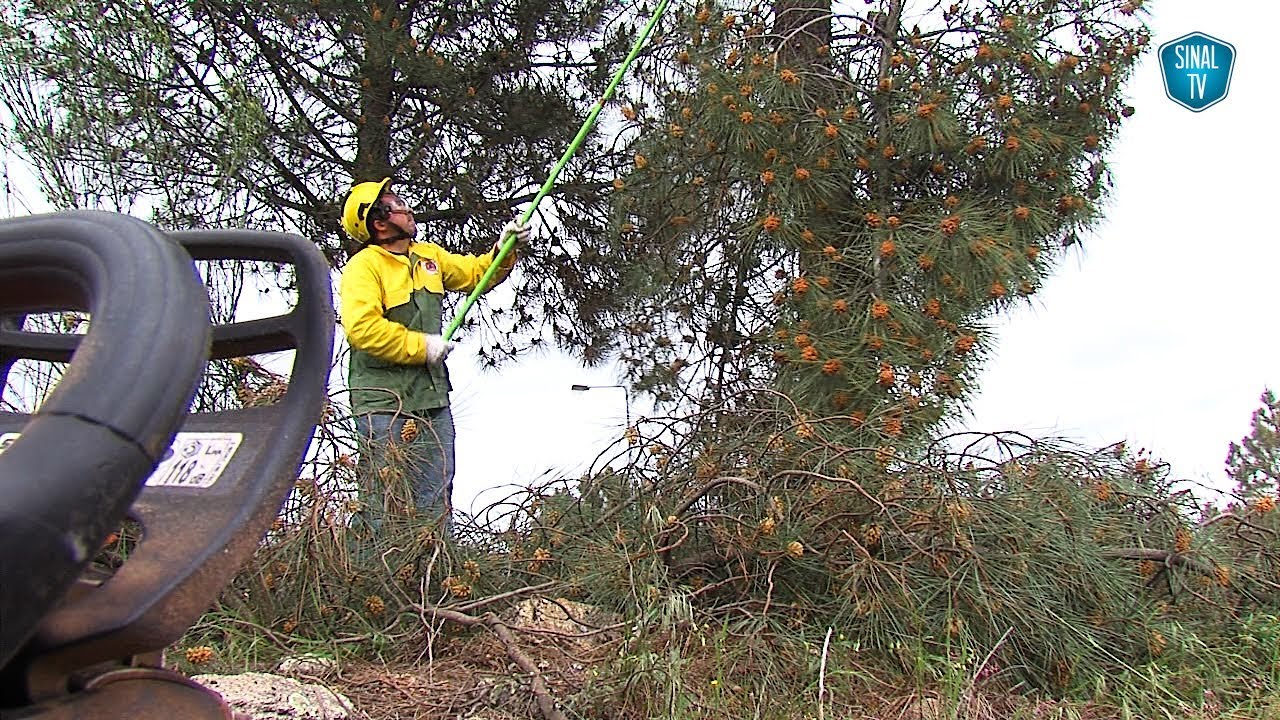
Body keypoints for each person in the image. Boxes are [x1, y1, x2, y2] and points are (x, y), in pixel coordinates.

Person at [338, 177, 529, 538]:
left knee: (435, 498)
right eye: (397, 205)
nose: (407, 209)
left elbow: (476, 275)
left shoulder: (428, 257)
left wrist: (504, 252)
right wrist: (421, 347)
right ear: (380, 223)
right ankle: (370, 580)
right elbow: (361, 329)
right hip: (383, 401)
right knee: (382, 501)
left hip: (431, 398)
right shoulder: (364, 268)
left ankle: (433, 579)